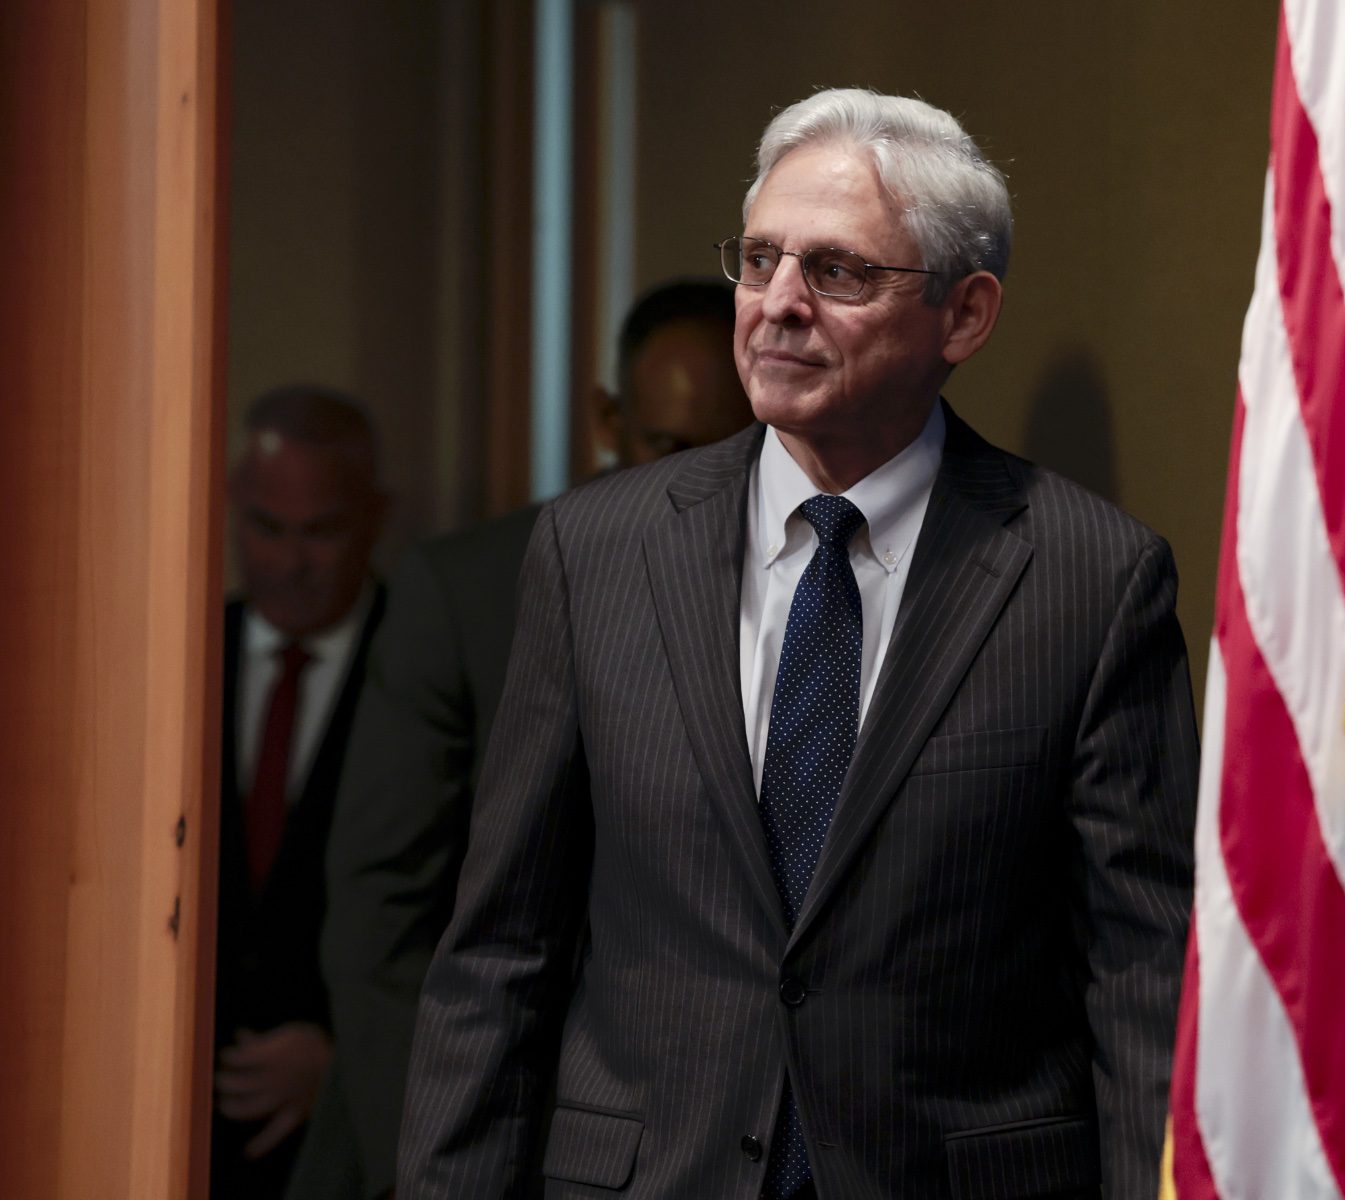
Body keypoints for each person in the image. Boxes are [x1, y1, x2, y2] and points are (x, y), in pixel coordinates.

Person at [398, 88, 1197, 1199]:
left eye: (838, 272)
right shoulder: (597, 551)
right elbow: (500, 955)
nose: (776, 306)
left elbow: (1138, 975)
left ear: (964, 316)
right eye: (760, 258)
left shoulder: (1089, 577)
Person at [289, 280, 754, 1200]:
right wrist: (447, 1160)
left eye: (727, 451)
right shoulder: (468, 594)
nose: (692, 482)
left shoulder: (805, 601)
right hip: (470, 1130)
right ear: (609, 420)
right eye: (665, 444)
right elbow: (380, 913)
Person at [214, 386, 388, 1197]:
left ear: (374, 518)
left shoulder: (424, 663)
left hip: (347, 1146)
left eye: (320, 531)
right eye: (266, 528)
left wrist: (353, 1056)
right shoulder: (181, 652)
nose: (290, 561)